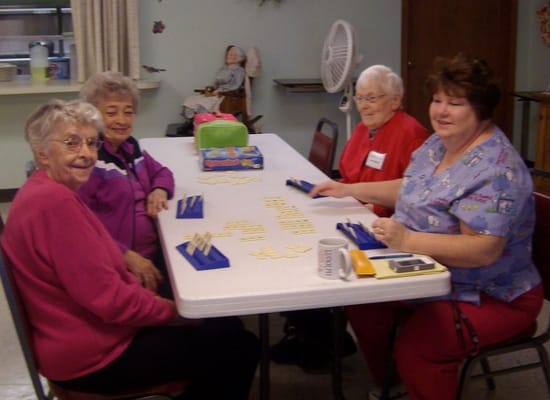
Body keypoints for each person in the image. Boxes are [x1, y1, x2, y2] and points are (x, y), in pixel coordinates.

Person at [309, 53, 543, 400]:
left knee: (419, 350)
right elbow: (411, 185)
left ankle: (412, 369)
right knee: (363, 304)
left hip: (491, 295)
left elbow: (482, 250)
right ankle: (396, 384)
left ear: (480, 109)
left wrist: (408, 238)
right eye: (437, 99)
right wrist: (348, 188)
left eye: (455, 103)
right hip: (427, 273)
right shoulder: (439, 143)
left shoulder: (497, 169)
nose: (441, 111)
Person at [1, 99, 259, 399]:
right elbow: (110, 301)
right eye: (71, 143)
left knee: (225, 327)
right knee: (238, 347)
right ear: (42, 153)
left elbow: (102, 281)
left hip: (81, 336)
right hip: (94, 357)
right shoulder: (54, 204)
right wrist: (175, 313)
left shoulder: (47, 190)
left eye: (91, 143)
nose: (85, 153)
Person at [271, 65, 430, 372]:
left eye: (373, 97)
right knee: (291, 249)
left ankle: (324, 342)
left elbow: (416, 197)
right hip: (349, 215)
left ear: (396, 100)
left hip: (385, 230)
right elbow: (348, 175)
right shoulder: (361, 130)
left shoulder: (412, 135)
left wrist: (372, 207)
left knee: (312, 263)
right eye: (360, 98)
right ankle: (318, 336)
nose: (365, 105)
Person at [78, 71, 173, 296]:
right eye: (111, 112)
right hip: (121, 267)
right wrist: (124, 255)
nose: (121, 120)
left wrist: (159, 189)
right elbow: (80, 228)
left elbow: (162, 172)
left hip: (153, 251)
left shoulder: (131, 147)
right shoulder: (90, 162)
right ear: (93, 116)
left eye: (128, 112)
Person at [181, 45, 246, 121]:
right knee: (191, 100)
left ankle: (203, 122)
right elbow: (216, 84)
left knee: (203, 104)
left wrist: (220, 90)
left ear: (238, 58)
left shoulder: (239, 70)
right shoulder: (223, 69)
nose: (229, 56)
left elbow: (235, 85)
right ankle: (192, 122)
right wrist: (210, 90)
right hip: (215, 93)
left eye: (232, 55)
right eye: (228, 54)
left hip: (226, 96)